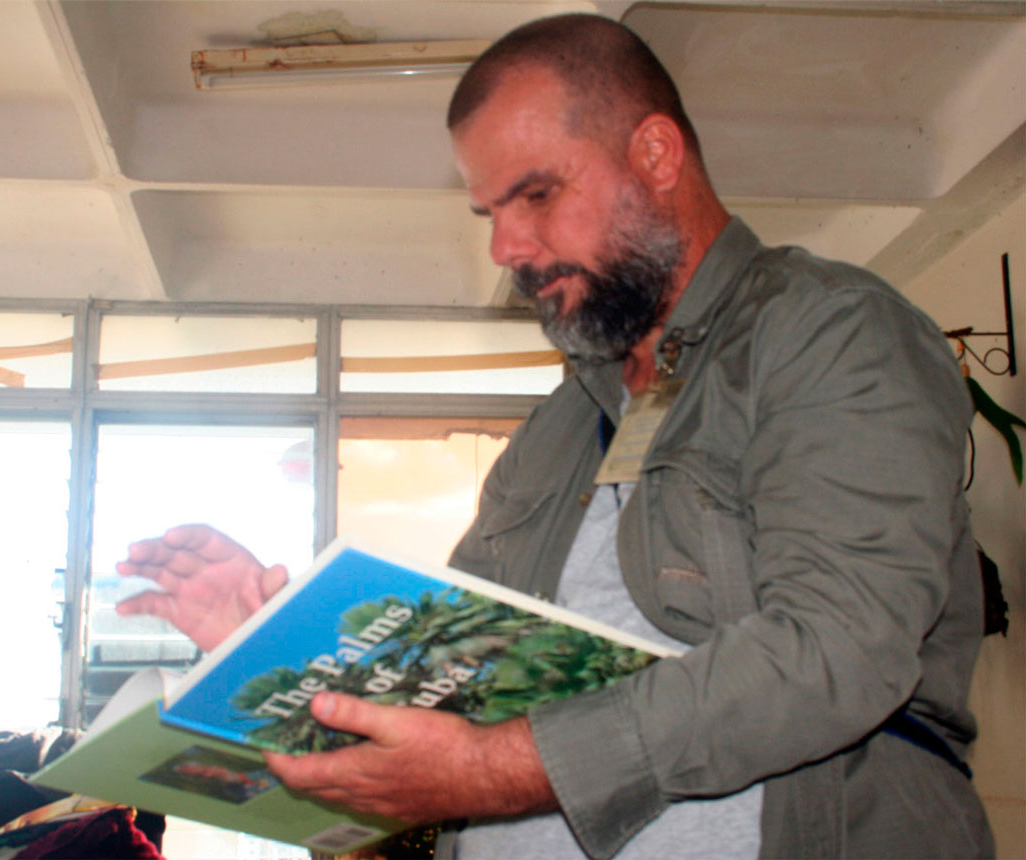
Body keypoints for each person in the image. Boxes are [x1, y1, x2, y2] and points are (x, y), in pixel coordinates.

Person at [116, 14, 995, 859]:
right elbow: (459, 686)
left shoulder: (830, 332)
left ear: (655, 154)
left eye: (537, 194)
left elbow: (836, 651)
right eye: (489, 212)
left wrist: (495, 770)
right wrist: (283, 657)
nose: (507, 246)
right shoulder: (559, 426)